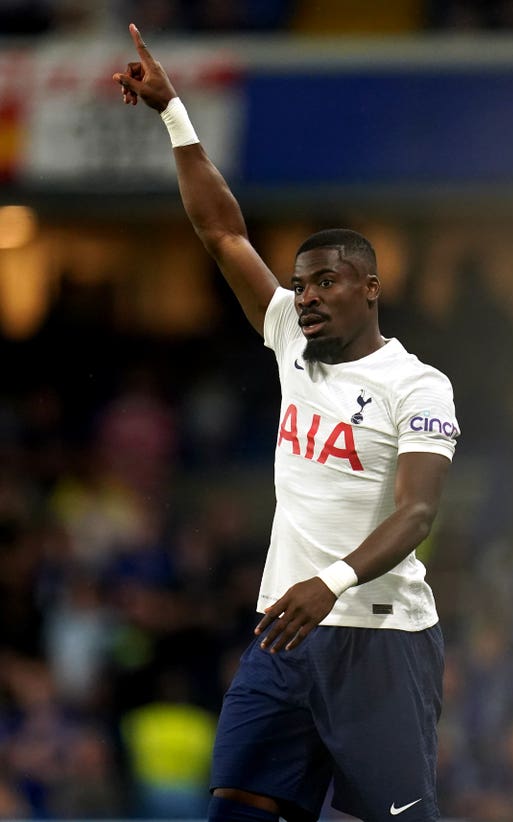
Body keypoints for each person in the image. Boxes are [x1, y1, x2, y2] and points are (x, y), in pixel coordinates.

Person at [113, 24, 460, 822]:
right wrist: (174, 115)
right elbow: (222, 230)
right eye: (299, 286)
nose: (303, 298)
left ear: (369, 288)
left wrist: (328, 584)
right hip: (285, 636)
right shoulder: (286, 342)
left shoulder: (418, 385)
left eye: (325, 283)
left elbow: (417, 512)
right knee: (237, 804)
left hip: (380, 639)